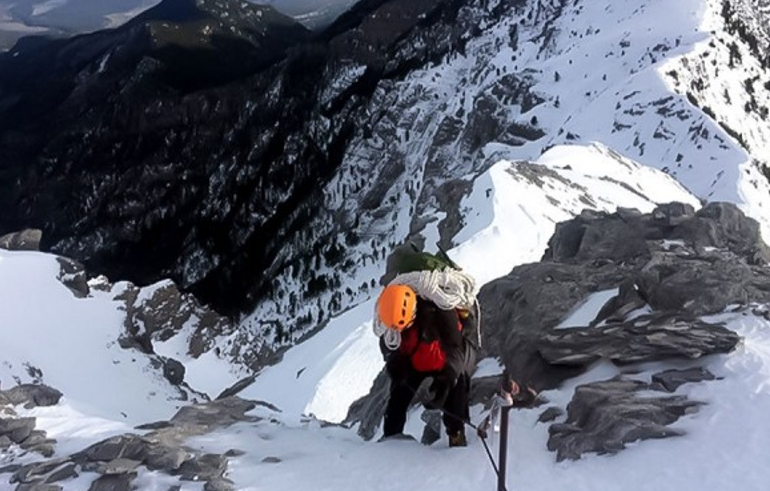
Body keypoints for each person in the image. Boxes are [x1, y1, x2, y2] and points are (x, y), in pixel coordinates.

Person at [376, 283, 478, 447]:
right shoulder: (391, 323)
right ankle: (391, 435)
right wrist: (395, 365)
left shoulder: (443, 315)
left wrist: (447, 377)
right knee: (398, 394)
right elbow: (389, 347)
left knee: (456, 388)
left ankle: (456, 434)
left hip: (446, 358)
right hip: (417, 359)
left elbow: (456, 351)